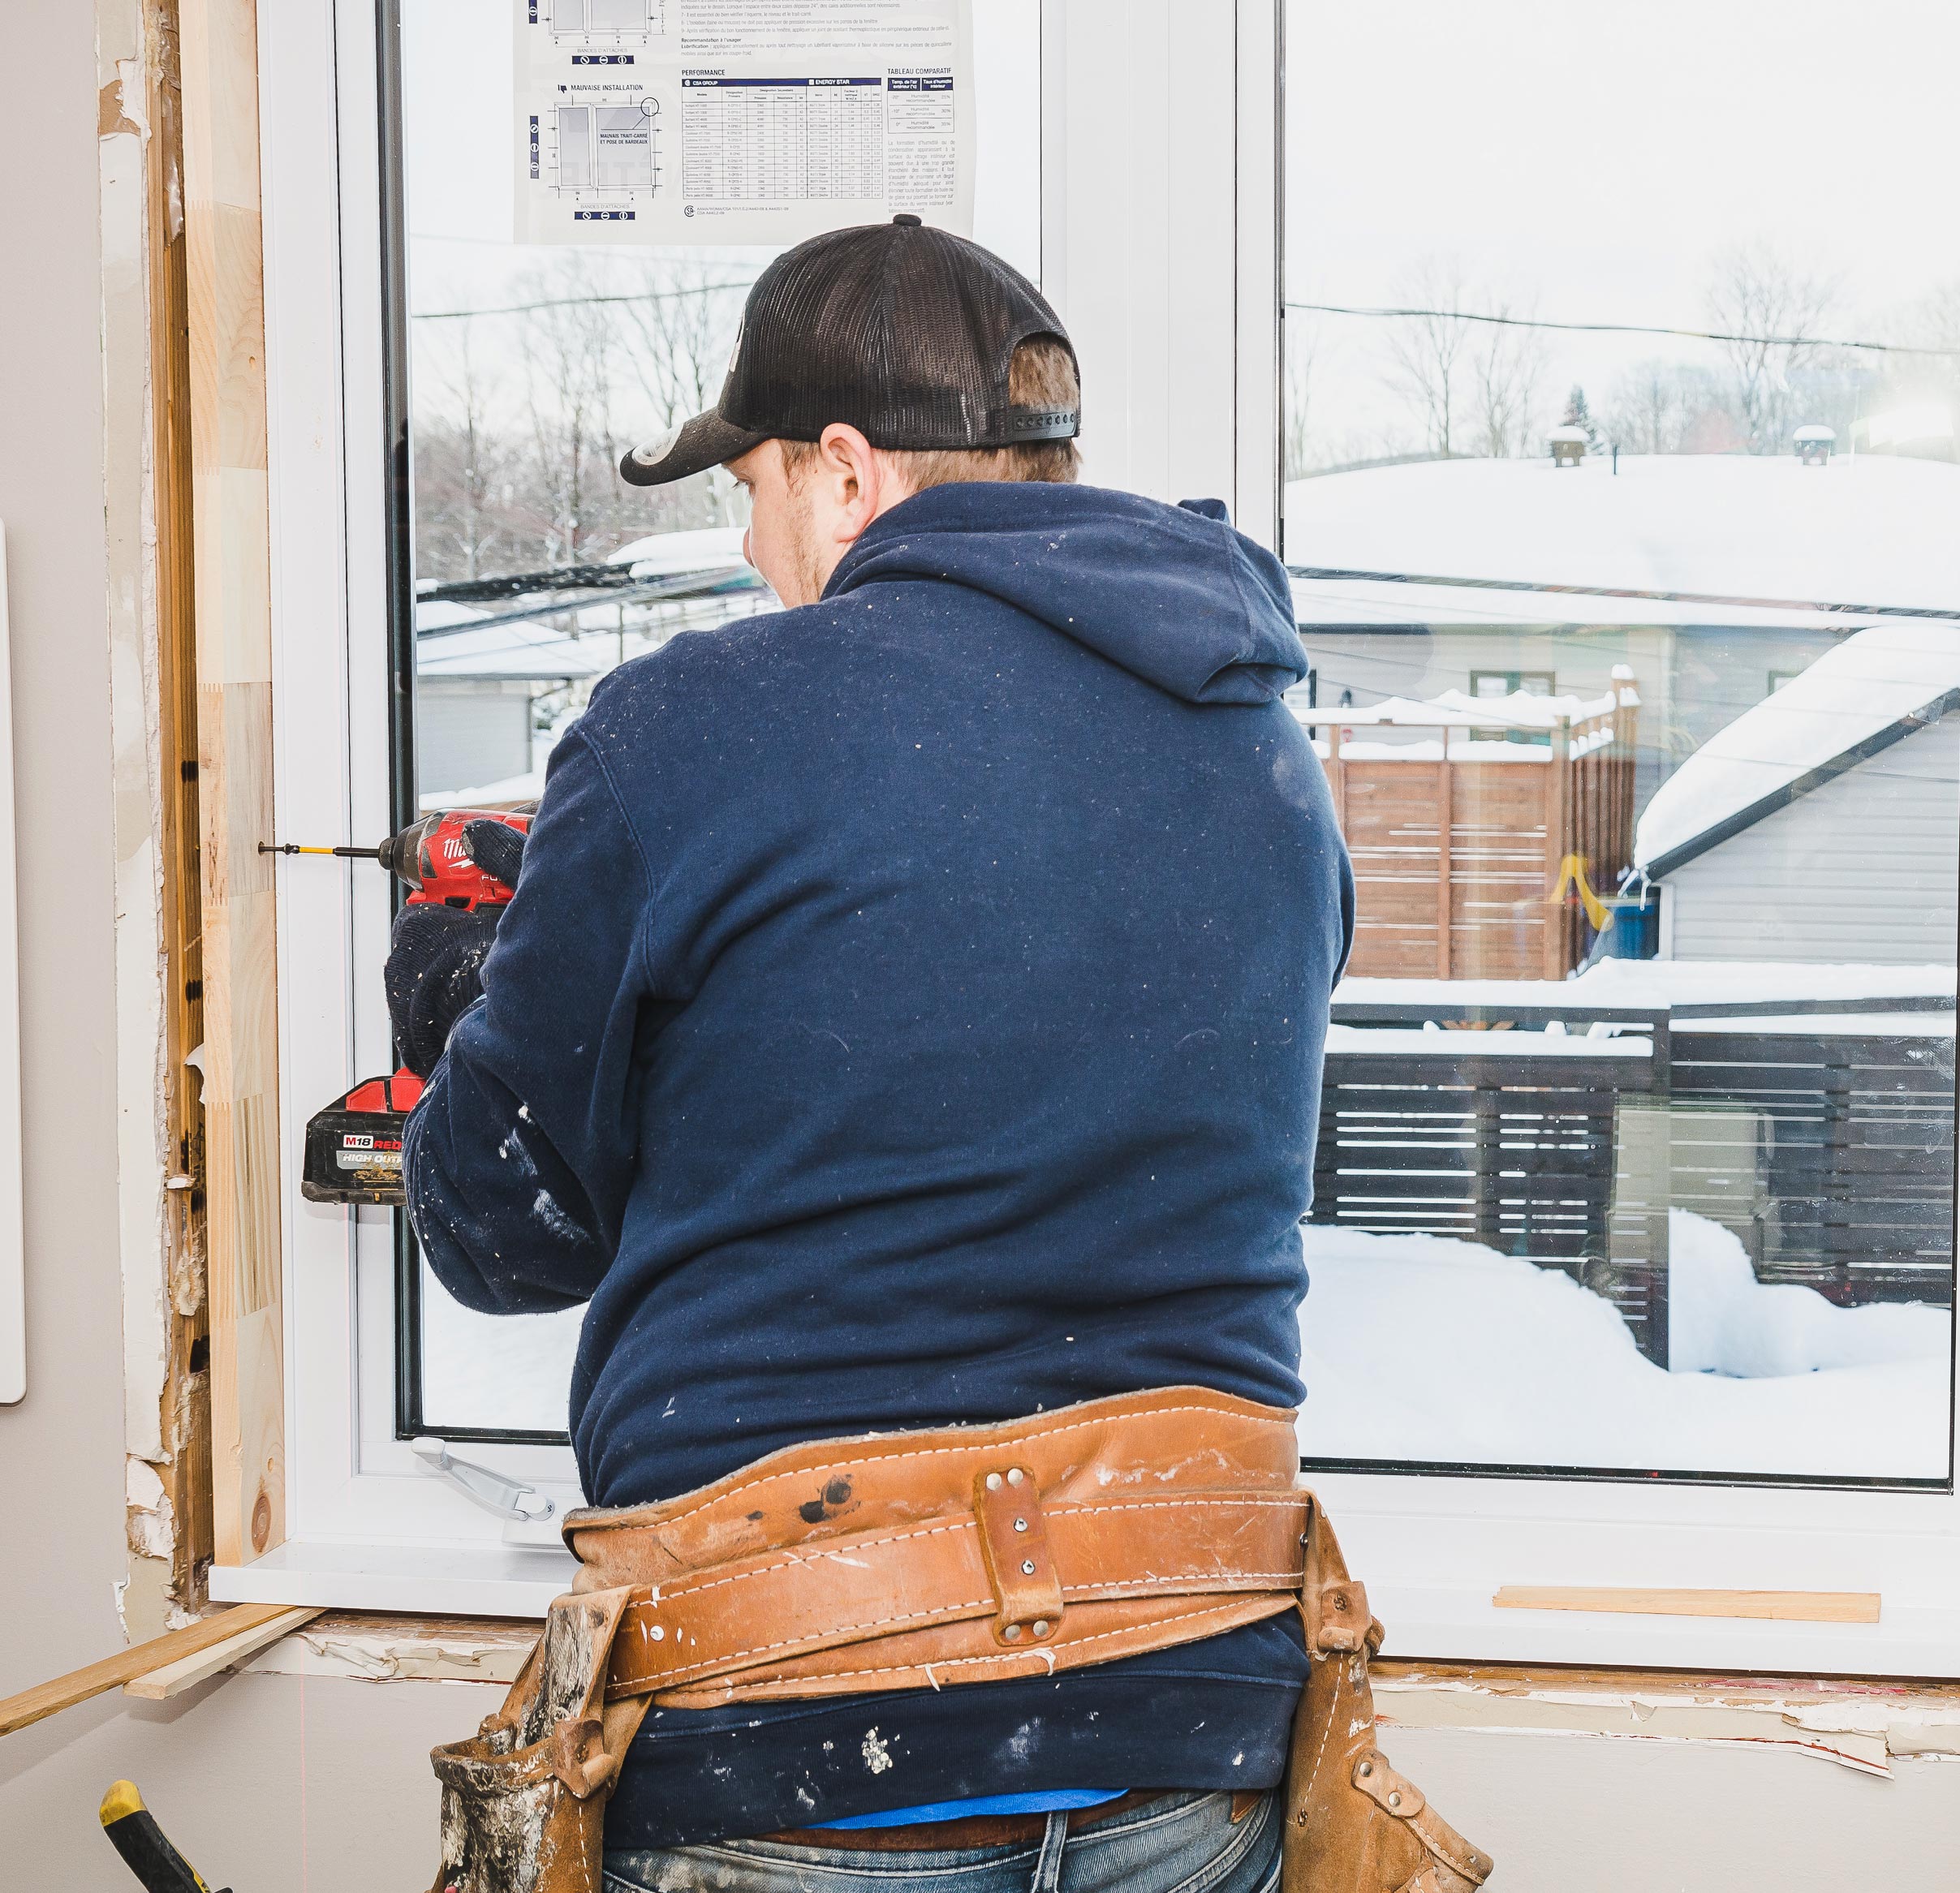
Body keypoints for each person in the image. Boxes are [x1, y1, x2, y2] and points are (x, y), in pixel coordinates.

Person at [392, 218, 1406, 1893]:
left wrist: (456, 997)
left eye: (756, 488)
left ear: (845, 472)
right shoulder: (1265, 754)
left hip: (806, 1723)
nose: (749, 544)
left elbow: (506, 1239)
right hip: (1196, 1716)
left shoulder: (692, 727)